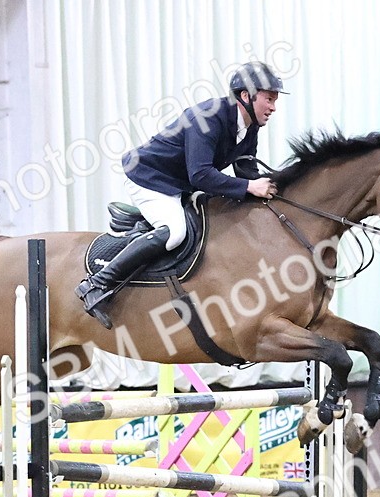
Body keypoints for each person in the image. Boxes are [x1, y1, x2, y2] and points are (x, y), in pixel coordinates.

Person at [76, 61, 287, 328]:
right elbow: (201, 175)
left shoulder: (249, 126)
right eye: (269, 99)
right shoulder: (208, 118)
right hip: (149, 177)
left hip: (179, 183)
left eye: (275, 100)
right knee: (175, 232)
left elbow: (246, 171)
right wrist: (247, 188)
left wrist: (275, 189)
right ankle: (97, 283)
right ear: (246, 96)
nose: (273, 107)